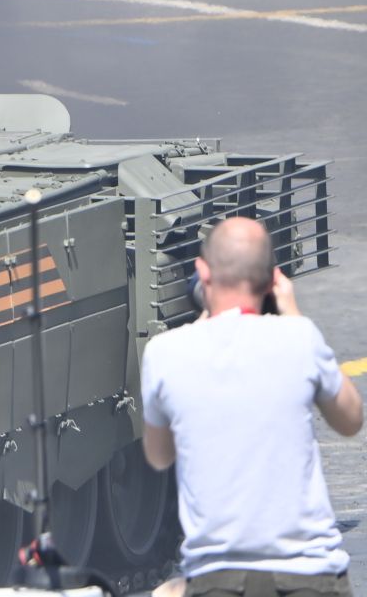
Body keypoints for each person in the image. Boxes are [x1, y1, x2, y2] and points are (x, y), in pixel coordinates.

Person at [141, 215, 362, 597]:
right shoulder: (299, 338)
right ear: (272, 280)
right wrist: (292, 312)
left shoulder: (166, 353)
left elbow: (159, 455)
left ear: (202, 272)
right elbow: (350, 419)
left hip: (219, 577)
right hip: (308, 573)